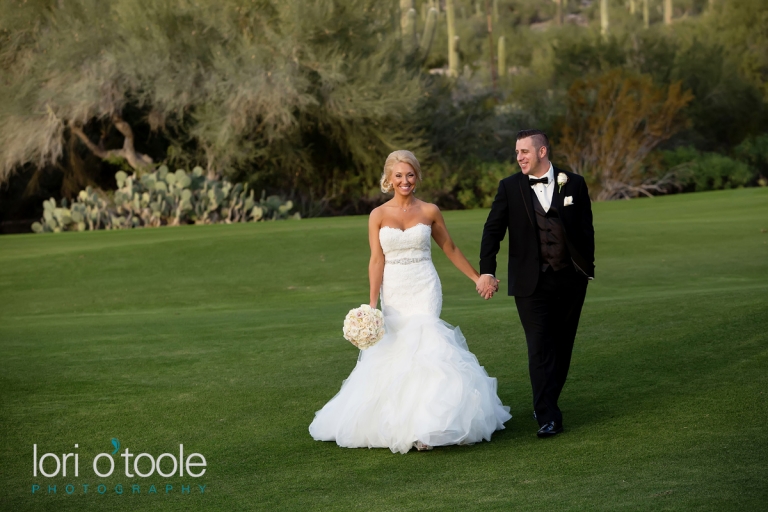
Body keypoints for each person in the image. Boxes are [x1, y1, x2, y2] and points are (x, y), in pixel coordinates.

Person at [309, 150, 512, 454]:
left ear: (417, 178)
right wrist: (371, 304)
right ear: (389, 179)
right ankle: (398, 423)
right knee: (397, 350)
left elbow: (450, 248)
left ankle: (427, 427)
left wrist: (477, 277)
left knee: (427, 345)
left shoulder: (429, 211)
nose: (405, 181)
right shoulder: (377, 215)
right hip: (395, 289)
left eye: (410, 175)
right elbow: (376, 260)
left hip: (424, 286)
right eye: (399, 176)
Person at [476, 129, 595, 438]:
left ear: (542, 152)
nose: (519, 157)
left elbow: (586, 230)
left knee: (562, 345)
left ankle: (546, 401)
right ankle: (548, 415)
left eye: (525, 152)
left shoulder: (575, 184)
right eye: (517, 152)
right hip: (530, 282)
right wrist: (487, 271)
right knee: (539, 345)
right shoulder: (509, 188)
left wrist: (585, 268)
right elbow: (492, 232)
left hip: (570, 279)